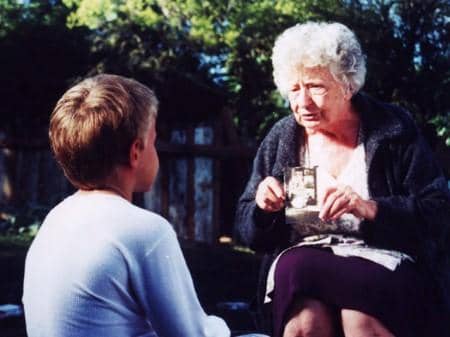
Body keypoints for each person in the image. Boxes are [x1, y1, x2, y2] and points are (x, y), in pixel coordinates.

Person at [236, 22, 450, 337]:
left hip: (382, 261)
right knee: (305, 317)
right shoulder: (282, 137)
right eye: (294, 89)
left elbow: (439, 213)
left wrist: (372, 209)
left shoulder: (393, 128)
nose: (303, 103)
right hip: (303, 265)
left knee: (359, 320)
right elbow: (247, 231)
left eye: (316, 87)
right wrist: (262, 208)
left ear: (348, 86)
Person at [22, 74, 230, 337]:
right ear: (135, 152)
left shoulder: (55, 220)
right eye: (153, 141)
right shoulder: (145, 231)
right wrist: (221, 326)